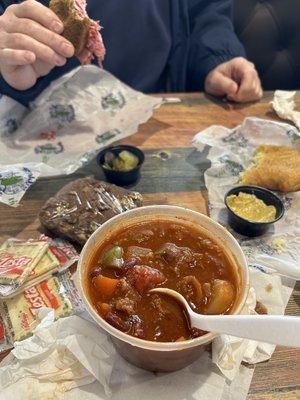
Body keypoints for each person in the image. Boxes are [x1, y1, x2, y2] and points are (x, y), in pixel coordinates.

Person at [0, 0, 262, 107]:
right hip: (42, 117)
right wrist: (7, 61)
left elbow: (205, 11)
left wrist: (215, 59)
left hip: (158, 109)